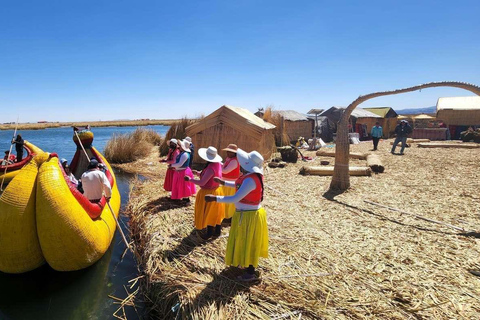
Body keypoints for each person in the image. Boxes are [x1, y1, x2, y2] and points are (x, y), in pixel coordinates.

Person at [205, 149, 268, 281]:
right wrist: (223, 182)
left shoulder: (251, 180)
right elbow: (238, 184)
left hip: (250, 217)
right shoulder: (249, 176)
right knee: (243, 240)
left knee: (249, 242)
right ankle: (244, 263)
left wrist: (215, 199)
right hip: (245, 215)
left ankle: (250, 272)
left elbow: (234, 198)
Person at [185, 146, 225, 239]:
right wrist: (198, 173)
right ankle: (217, 231)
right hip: (217, 190)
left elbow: (202, 182)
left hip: (208, 192)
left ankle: (209, 233)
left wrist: (190, 180)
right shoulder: (218, 164)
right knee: (216, 212)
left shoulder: (211, 167)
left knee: (208, 212)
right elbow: (209, 176)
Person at [221, 144, 241, 222]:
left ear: (234, 153)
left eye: (230, 152)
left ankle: (229, 217)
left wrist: (219, 166)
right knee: (225, 199)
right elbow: (224, 167)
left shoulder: (234, 161)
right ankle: (225, 215)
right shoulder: (229, 159)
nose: (228, 153)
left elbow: (225, 170)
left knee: (229, 201)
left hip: (231, 184)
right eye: (228, 151)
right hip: (225, 182)